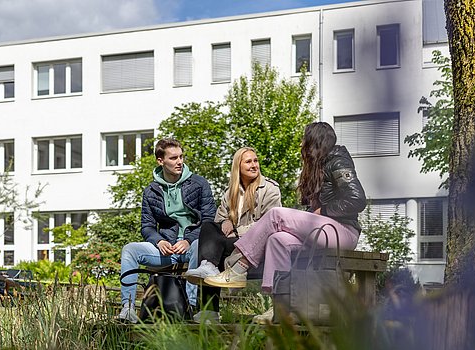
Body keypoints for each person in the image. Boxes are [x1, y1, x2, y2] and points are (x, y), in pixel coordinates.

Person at [203, 122, 367, 324]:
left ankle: (238, 268)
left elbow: (357, 199)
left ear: (315, 142)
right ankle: (279, 309)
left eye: (305, 139)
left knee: (275, 215)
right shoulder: (318, 165)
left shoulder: (338, 160)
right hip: (322, 230)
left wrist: (323, 211)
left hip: (343, 231)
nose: (301, 144)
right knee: (277, 239)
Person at [117, 138, 217, 323]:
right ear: (160, 161)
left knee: (198, 246)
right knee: (129, 250)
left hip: (191, 246)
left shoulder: (199, 184)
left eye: (181, 157)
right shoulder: (151, 191)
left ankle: (190, 307)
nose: (179, 162)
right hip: (166, 248)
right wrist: (159, 241)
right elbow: (146, 225)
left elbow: (210, 220)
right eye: (173, 158)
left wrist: (188, 240)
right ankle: (128, 308)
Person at [184, 147, 281, 323]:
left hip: (256, 246)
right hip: (234, 243)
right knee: (208, 229)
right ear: (238, 166)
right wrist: (224, 222)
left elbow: (269, 224)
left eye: (256, 161)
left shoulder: (270, 189)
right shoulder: (231, 193)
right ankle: (209, 311)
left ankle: (209, 275)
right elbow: (219, 219)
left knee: (211, 247)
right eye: (249, 162)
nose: (254, 165)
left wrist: (236, 229)